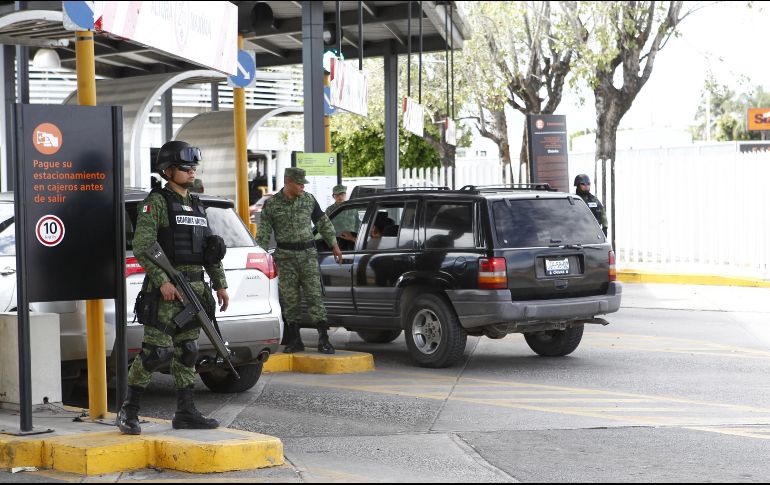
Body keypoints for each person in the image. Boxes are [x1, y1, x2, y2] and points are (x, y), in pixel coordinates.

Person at [117, 140, 229, 435]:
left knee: (189, 350)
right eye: (185, 167)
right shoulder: (156, 203)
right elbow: (143, 246)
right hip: (166, 292)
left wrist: (220, 285)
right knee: (155, 353)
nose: (192, 171)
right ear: (168, 171)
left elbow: (210, 250)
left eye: (194, 167)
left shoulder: (196, 203)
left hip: (195, 290)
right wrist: (163, 280)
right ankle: (128, 410)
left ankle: (185, 412)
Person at [257, 167, 342, 354]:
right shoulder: (271, 205)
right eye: (299, 182)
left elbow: (323, 223)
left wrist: (334, 245)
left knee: (314, 296)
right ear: (288, 181)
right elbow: (263, 232)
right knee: (290, 300)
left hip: (308, 256)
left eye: (303, 183)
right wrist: (261, 255)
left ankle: (324, 339)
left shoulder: (308, 200)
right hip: (285, 258)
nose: (302, 186)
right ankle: (295, 340)